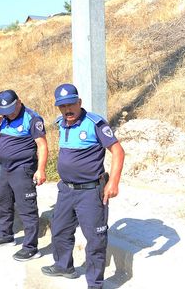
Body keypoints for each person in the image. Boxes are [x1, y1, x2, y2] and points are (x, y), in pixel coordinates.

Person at [41, 83, 125, 289]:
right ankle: (63, 266)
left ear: (79, 102)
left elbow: (118, 151)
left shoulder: (95, 123)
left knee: (95, 239)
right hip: (66, 190)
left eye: (71, 105)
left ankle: (95, 283)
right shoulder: (61, 123)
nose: (67, 110)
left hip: (90, 192)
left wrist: (113, 182)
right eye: (62, 107)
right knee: (60, 230)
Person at [0, 90, 48, 261]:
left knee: (27, 208)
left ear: (19, 102)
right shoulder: (3, 118)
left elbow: (42, 146)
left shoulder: (32, 118)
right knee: (4, 202)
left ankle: (31, 247)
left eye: (12, 109)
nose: (10, 113)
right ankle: (6, 236)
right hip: (5, 168)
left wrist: (41, 169)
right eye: (6, 110)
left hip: (23, 169)